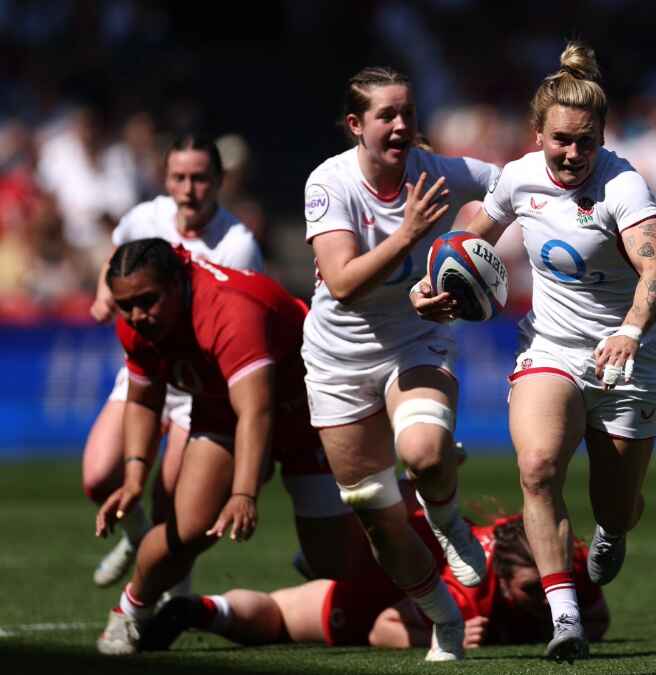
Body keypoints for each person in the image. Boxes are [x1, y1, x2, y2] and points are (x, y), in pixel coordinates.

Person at [415, 41, 656, 662]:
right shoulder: (519, 177)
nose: (573, 154)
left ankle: (612, 529)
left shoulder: (624, 185)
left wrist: (629, 332)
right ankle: (566, 619)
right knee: (536, 468)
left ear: (602, 137)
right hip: (550, 347)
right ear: (539, 134)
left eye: (586, 142)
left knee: (618, 505)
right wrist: (433, 283)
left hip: (626, 356)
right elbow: (469, 239)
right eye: (561, 140)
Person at [301, 65, 509, 663]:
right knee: (375, 513)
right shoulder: (329, 182)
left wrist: (465, 246)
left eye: (407, 113)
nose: (399, 125)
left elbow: (519, 186)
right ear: (355, 125)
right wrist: (410, 235)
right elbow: (342, 284)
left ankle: (447, 520)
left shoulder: (439, 171)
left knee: (423, 453)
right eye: (385, 115)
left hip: (415, 343)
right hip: (338, 360)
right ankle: (443, 618)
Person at [93, 239, 370, 656]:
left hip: (308, 407)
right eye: (125, 305)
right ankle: (130, 612)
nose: (136, 316)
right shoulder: (136, 322)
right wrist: (134, 478)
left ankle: (387, 517)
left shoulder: (230, 311)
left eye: (147, 301)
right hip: (223, 410)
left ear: (177, 283)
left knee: (337, 566)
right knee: (186, 530)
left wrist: (244, 493)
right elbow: (145, 401)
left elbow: (257, 411)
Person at [84, 134, 264, 593]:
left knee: (174, 503)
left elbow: (243, 320)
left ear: (219, 181)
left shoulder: (237, 245)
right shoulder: (145, 218)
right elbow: (116, 261)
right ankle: (137, 537)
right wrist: (105, 295)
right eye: (178, 177)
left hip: (197, 385)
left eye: (199, 178)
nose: (188, 189)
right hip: (149, 365)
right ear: (165, 179)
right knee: (98, 477)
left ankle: (172, 601)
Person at [139, 489, 609, 653]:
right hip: (379, 595)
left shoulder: (561, 560)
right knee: (279, 619)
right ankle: (198, 609)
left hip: (409, 552)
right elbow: (383, 628)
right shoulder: (470, 588)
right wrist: (446, 635)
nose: (546, 601)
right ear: (502, 574)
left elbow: (598, 617)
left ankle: (202, 608)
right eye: (533, 591)